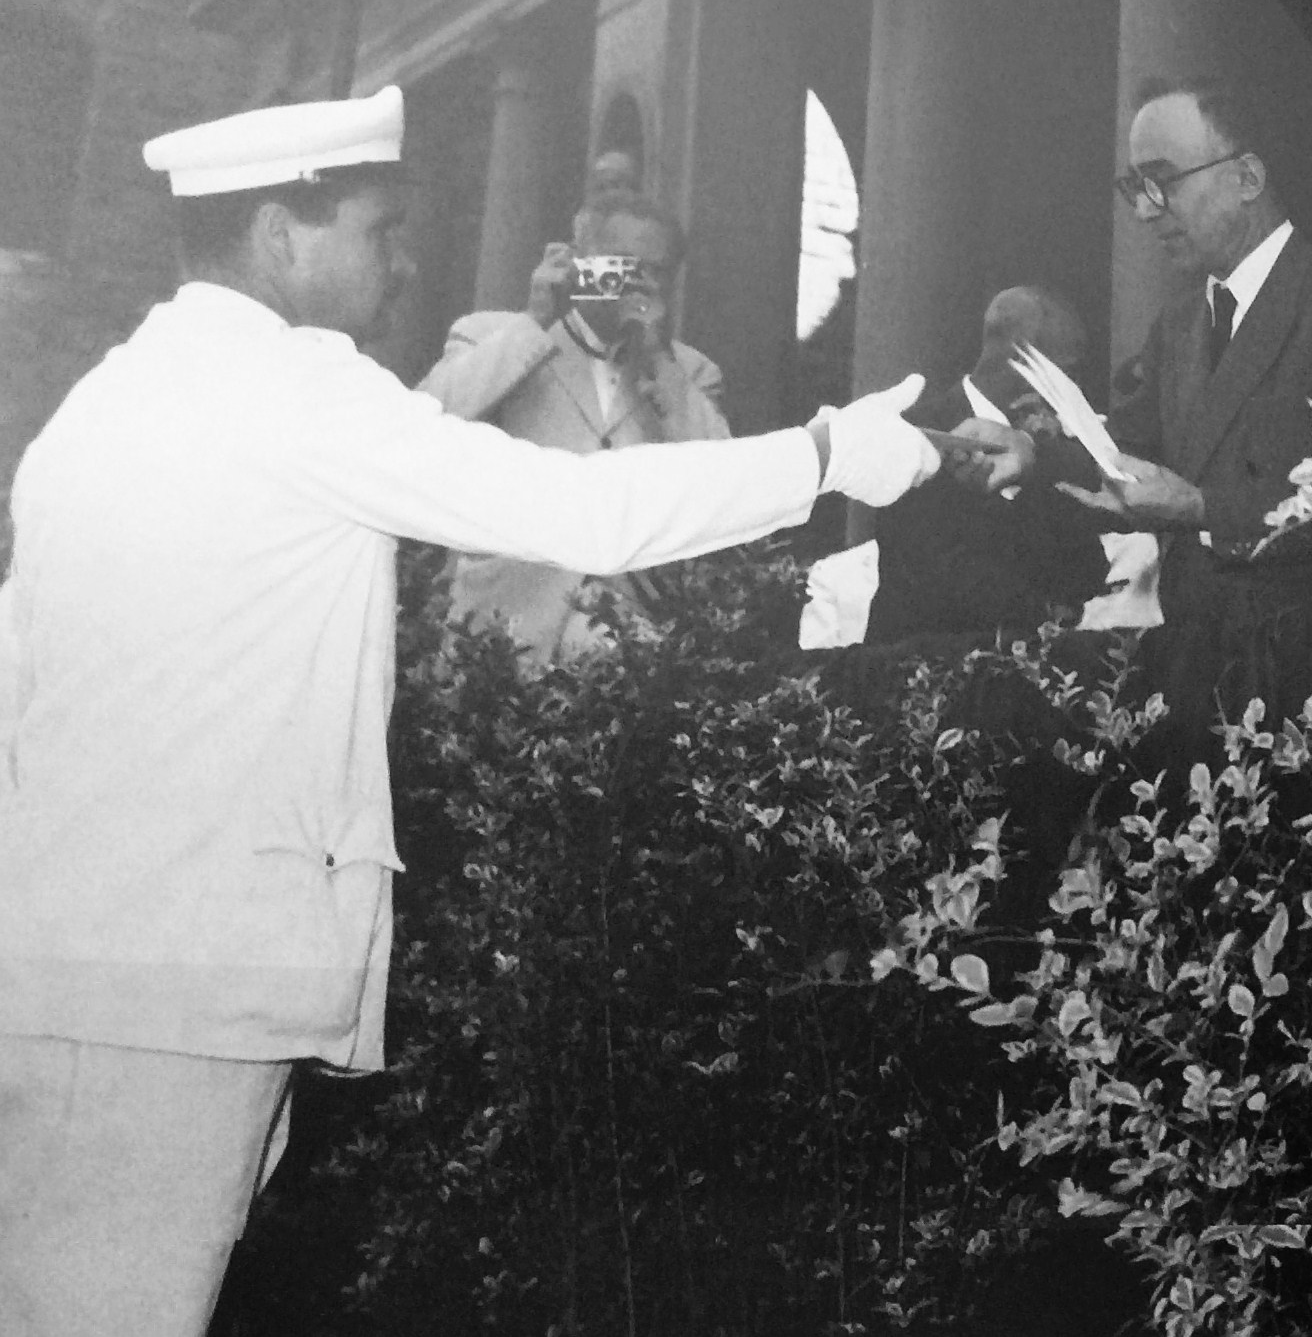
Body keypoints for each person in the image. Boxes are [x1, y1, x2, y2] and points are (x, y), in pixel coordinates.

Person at [0, 85, 940, 1337]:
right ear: (283, 236)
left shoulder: (107, 397)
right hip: (177, 986)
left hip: (83, 961)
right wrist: (824, 455)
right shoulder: (291, 390)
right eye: (382, 232)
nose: (403, 266)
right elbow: (581, 513)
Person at [980, 75, 1312, 775]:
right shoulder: (1182, 325)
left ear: (1248, 176)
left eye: (1165, 181)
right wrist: (1030, 453)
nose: (1148, 211)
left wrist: (1200, 507)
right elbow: (1121, 451)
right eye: (1137, 187)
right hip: (1201, 680)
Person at [421, 188, 732, 663]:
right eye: (623, 264)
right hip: (503, 623)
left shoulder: (689, 374)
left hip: (632, 634)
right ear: (577, 260)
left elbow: (723, 487)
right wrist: (535, 319)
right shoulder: (494, 336)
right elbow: (426, 421)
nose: (637, 283)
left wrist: (659, 361)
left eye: (656, 272)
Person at [862, 284, 1109, 645]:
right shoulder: (916, 430)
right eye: (1066, 370)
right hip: (922, 662)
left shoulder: (1049, 449)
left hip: (1032, 664)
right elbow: (930, 569)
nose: (1074, 387)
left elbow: (1088, 563)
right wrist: (1046, 610)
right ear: (1024, 359)